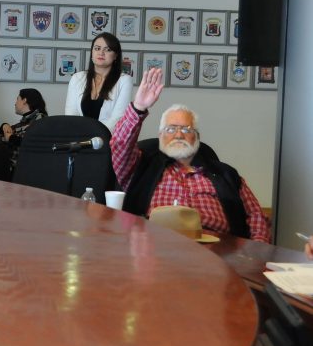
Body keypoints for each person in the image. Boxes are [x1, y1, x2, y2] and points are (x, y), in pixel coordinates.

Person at [110, 67, 270, 242]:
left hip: (216, 247)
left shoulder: (227, 175)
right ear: (160, 136)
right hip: (155, 245)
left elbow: (256, 216)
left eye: (186, 129)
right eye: (171, 129)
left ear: (197, 138)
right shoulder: (139, 167)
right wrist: (138, 107)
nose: (179, 135)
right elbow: (119, 144)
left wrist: (256, 250)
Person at [64, 32, 133, 132]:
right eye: (97, 48)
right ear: (92, 52)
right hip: (79, 137)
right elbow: (71, 115)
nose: (101, 53)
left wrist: (97, 137)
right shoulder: (77, 78)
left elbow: (118, 117)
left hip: (107, 138)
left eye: (108, 50)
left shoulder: (124, 80)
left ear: (115, 56)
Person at [0, 88, 47, 169]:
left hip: (26, 169)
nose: (15, 104)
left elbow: (30, 142)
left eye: (17, 99)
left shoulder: (41, 119)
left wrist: (10, 138)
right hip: (14, 168)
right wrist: (4, 125)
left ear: (24, 100)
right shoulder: (24, 122)